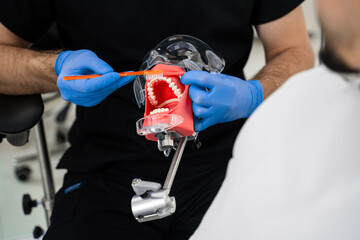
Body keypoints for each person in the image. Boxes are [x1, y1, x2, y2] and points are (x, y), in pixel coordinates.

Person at [0, 1, 314, 239]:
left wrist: (255, 93)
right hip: (108, 166)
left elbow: (294, 49)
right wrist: (54, 68)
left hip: (229, 160)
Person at [190, 0, 360, 239]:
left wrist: (254, 94)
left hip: (213, 166)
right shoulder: (280, 123)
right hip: (120, 169)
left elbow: (293, 48)